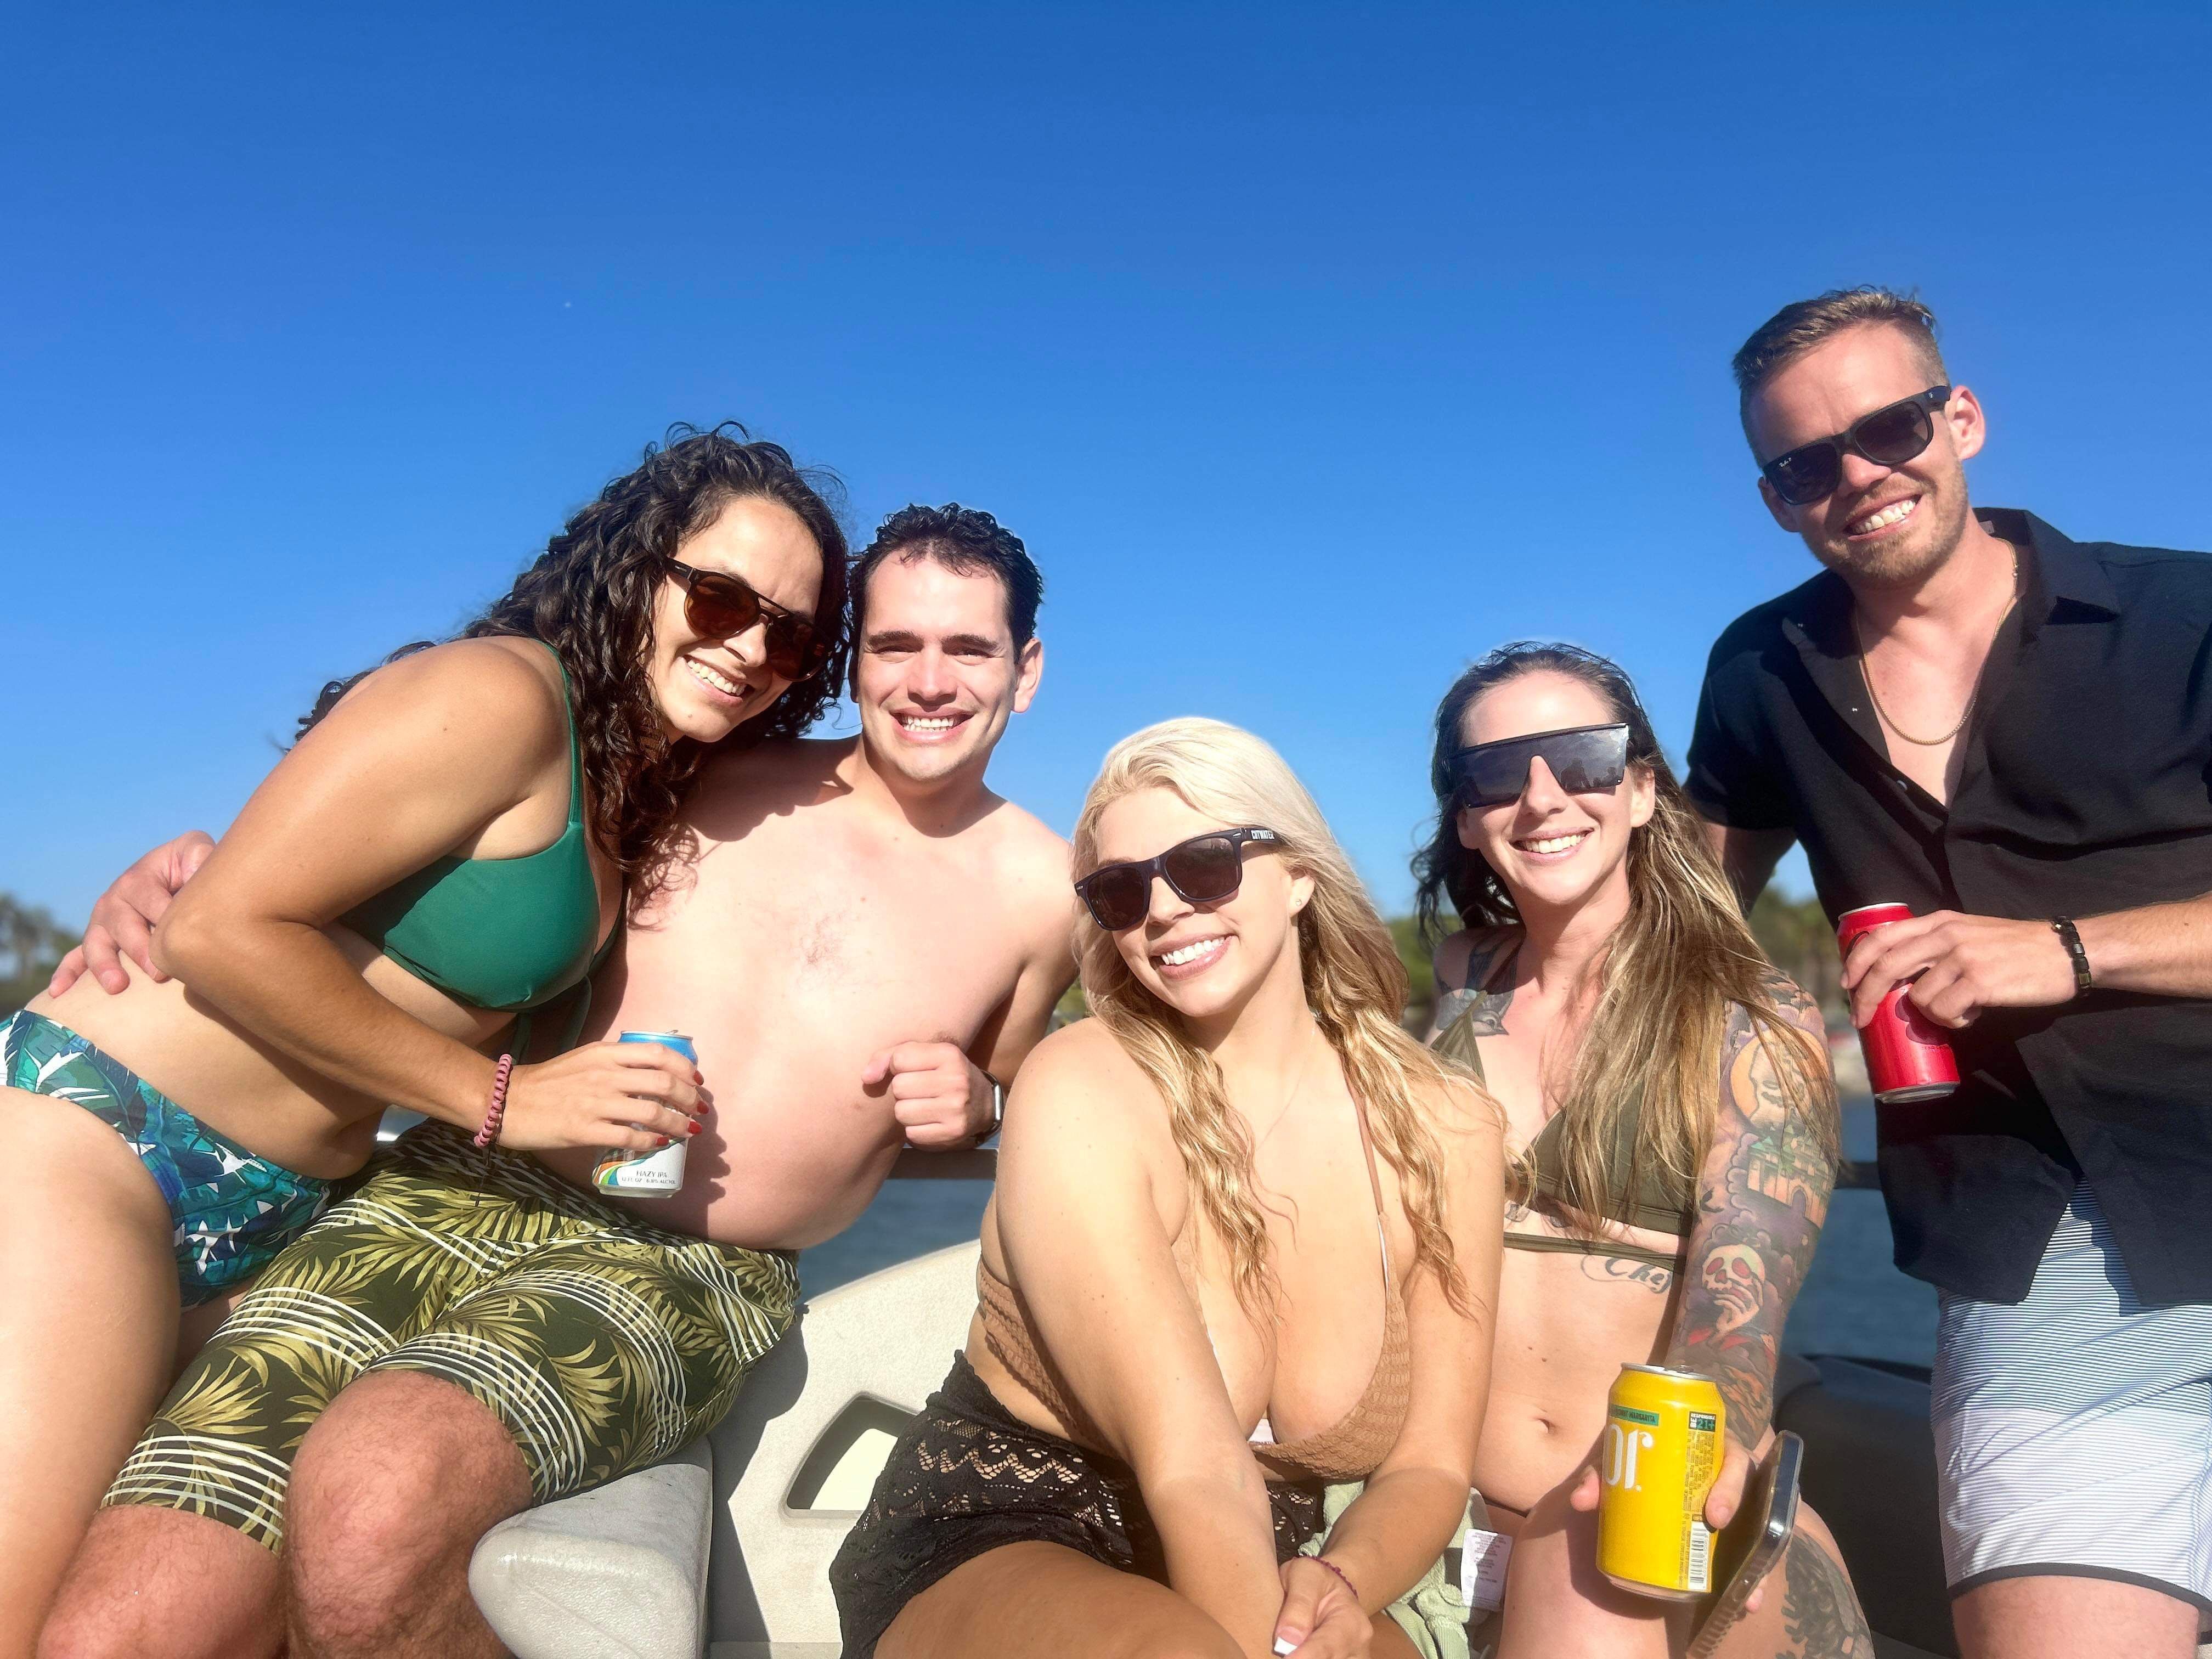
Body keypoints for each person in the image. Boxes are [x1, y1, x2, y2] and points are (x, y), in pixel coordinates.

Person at [37, 503, 1078, 1659]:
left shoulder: (1048, 899)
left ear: (1023, 670)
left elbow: (1047, 1099)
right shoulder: (703, 767)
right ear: (853, 663)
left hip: (688, 1266)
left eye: (969, 649)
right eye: (894, 646)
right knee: (114, 1632)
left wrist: (987, 1106)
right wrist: (199, 859)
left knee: (375, 1501)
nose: (929, 681)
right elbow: (423, 829)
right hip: (454, 1184)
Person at [1688, 287, 2212, 1659]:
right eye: (1808, 463)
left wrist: (2069, 952)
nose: (1857, 475)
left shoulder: (2188, 616)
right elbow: (1675, 913)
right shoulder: (1763, 673)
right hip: (2042, 1240)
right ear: (1775, 499)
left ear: (1959, 417)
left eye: (1890, 426)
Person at [831, 716, 1505, 1659]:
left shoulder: (1448, 1130)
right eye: (1119, 889)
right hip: (1013, 1529)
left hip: (1289, 1556)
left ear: (1299, 873)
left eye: (1206, 865)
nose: (1164, 909)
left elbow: (1432, 1464)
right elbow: (1195, 1467)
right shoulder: (1085, 1086)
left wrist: (1344, 1583)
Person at [1415, 642, 1869, 1658]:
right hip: (1445, 1527)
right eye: (1496, 772)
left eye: (1580, 757)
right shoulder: (1455, 988)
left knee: (1583, 1567)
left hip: (1653, 1530)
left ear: (1640, 789)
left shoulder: (1752, 1018)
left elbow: (1738, 1293)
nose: (1541, 800)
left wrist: (1688, 1454)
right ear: (1465, 817)